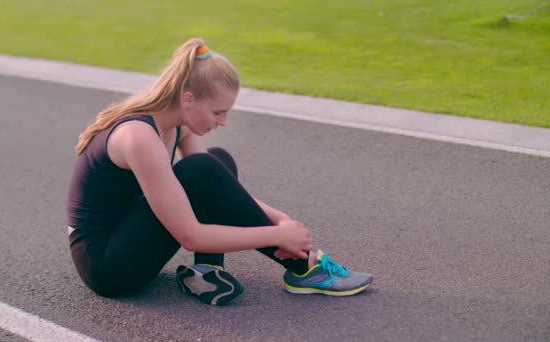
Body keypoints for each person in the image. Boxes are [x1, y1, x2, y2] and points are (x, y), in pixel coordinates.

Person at [66, 38, 373, 305]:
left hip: (129, 236)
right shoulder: (137, 137)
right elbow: (191, 236)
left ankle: (206, 273)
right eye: (218, 112)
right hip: (107, 267)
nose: (222, 121)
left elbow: (218, 189)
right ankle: (305, 269)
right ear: (188, 99)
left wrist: (278, 217)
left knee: (216, 160)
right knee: (202, 168)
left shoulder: (176, 125)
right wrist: (276, 234)